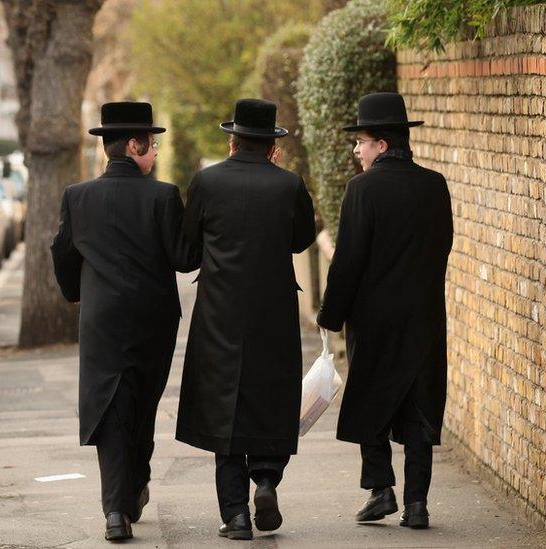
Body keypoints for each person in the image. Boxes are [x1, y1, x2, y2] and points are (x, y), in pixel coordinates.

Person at [51, 101, 199, 542]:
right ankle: (134, 487)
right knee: (142, 405)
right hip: (153, 320)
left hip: (102, 321)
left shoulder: (77, 197)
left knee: (109, 409)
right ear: (134, 145)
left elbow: (62, 254)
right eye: (151, 145)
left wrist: (79, 294)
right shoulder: (163, 195)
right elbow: (184, 257)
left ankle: (117, 509)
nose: (154, 153)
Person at [176, 98, 316, 541]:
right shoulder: (289, 185)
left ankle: (235, 514)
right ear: (272, 145)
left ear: (232, 140)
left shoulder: (206, 182)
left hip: (220, 311)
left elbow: (184, 254)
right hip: (273, 310)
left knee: (224, 406)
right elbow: (301, 241)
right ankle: (268, 479)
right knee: (271, 395)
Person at [317, 92, 453, 530]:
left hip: (374, 320)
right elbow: (443, 247)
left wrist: (331, 315)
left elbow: (349, 259)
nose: (356, 150)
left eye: (360, 141)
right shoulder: (435, 185)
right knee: (418, 408)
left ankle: (380, 488)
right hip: (424, 317)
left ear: (380, 144)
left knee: (369, 400)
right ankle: (417, 503)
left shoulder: (363, 188)